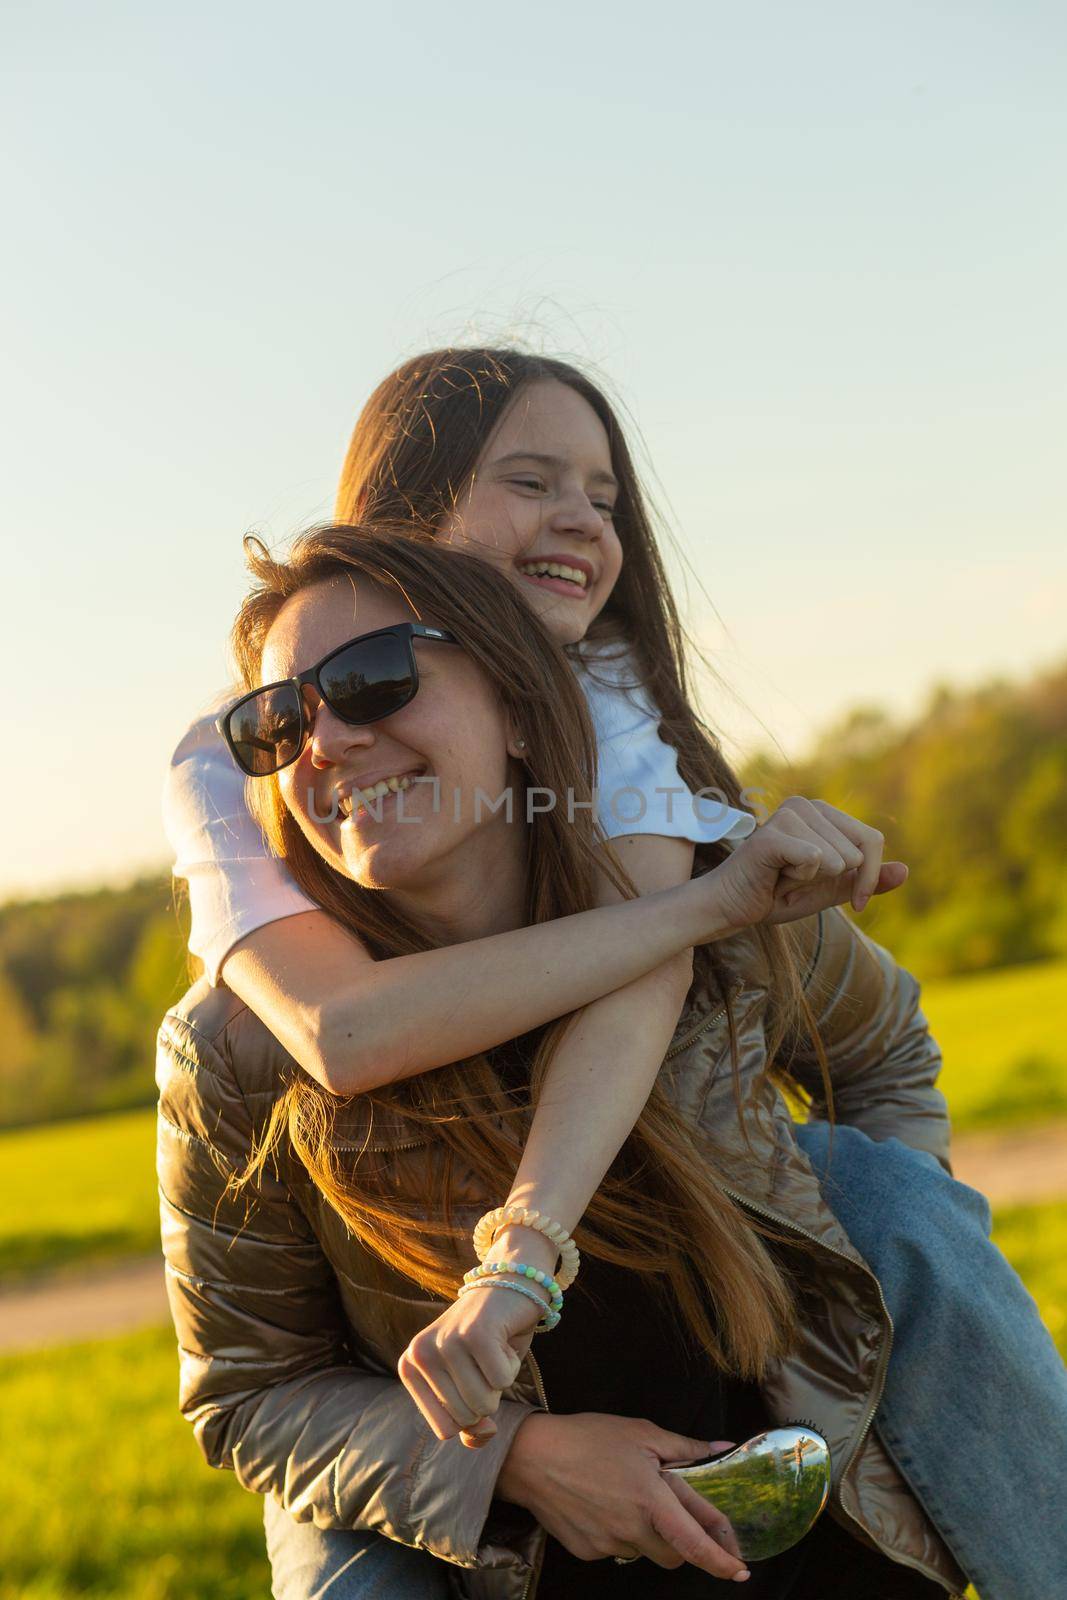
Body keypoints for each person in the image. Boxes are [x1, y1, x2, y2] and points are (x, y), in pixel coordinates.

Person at [163, 349, 1067, 1600]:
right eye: (282, 722)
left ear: (527, 703)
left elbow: (878, 1047)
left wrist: (885, 1256)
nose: (328, 739)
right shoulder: (234, 1023)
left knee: (882, 1196)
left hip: (799, 1518)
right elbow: (253, 1389)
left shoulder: (684, 848)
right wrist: (518, 1459)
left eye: (377, 682)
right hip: (496, 1541)